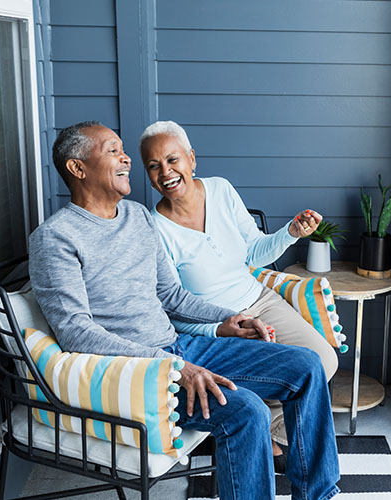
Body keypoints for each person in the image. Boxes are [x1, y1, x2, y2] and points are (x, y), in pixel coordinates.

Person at [28, 121, 340, 500]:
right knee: (248, 412)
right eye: (112, 150)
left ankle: (319, 495)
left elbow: (172, 295)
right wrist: (170, 367)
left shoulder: (137, 218)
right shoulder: (55, 238)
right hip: (141, 373)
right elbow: (76, 333)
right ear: (78, 169)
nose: (127, 157)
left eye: (123, 150)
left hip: (180, 349)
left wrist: (223, 319)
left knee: (307, 365)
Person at [138, 121, 339, 462]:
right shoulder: (153, 227)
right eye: (154, 166)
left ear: (192, 158)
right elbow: (171, 307)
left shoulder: (221, 190)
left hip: (258, 299)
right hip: (215, 329)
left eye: (173, 160)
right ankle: (261, 435)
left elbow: (253, 253)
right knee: (281, 376)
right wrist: (222, 326)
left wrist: (289, 233)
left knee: (324, 361)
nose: (166, 172)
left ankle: (266, 428)